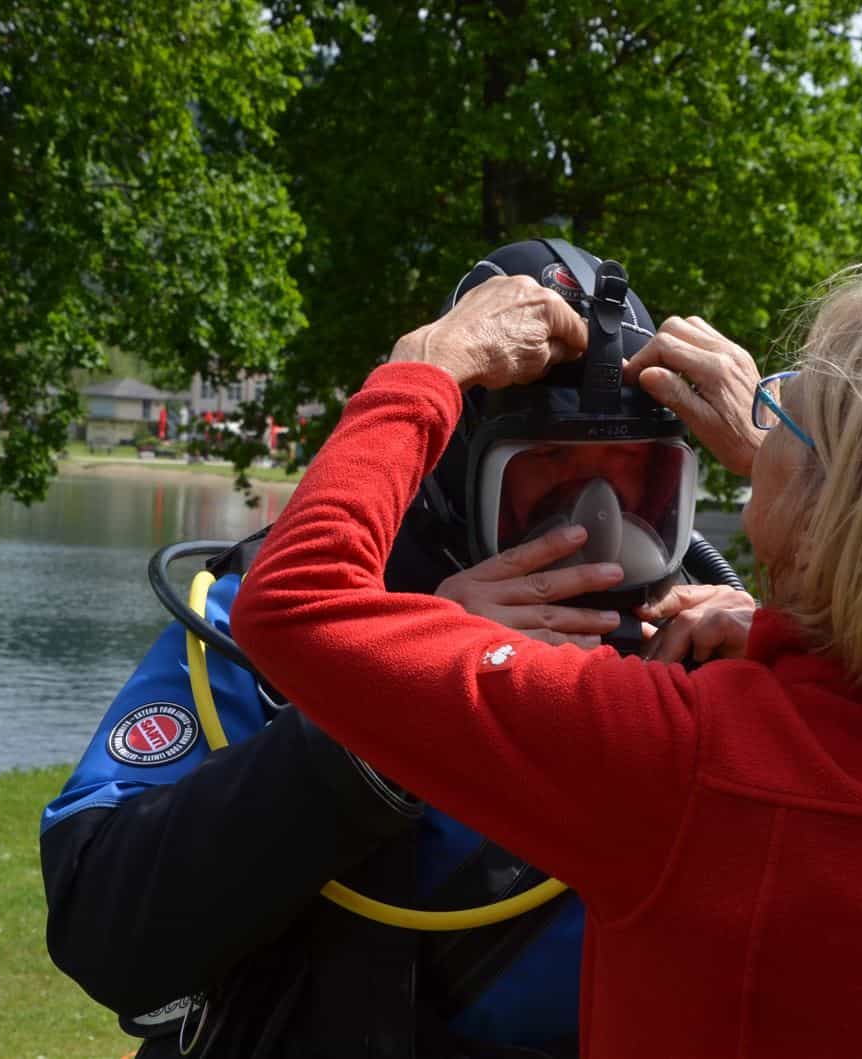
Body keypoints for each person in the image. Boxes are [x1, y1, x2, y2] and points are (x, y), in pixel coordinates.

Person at [231, 260, 862, 1058]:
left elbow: (295, 603)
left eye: (787, 412)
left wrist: (427, 362)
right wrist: (793, 578)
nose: (759, 419)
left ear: (834, 515)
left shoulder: (689, 767)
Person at [40, 240, 751, 1057]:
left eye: (630, 471)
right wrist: (399, 682)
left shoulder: (720, 651)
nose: (598, 516)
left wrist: (802, 651)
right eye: (552, 463)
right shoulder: (276, 615)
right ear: (456, 469)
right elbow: (103, 923)